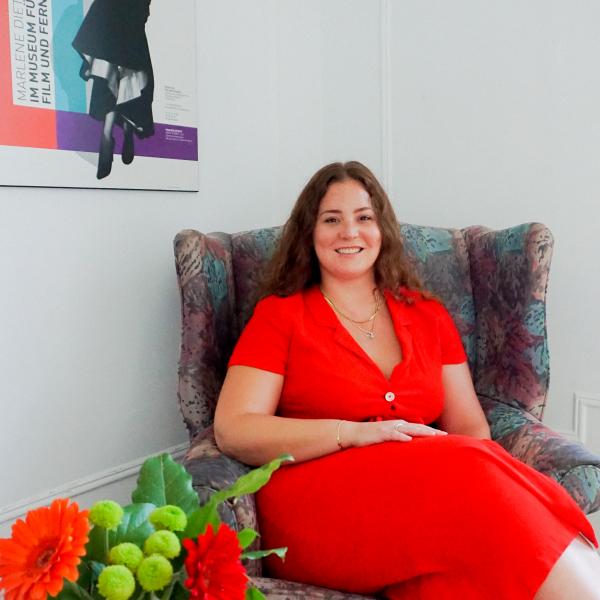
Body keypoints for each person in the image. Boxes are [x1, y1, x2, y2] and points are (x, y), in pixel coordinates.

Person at [214, 161, 600, 599]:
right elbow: (235, 427)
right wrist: (354, 434)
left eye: (364, 218)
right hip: (318, 505)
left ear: (383, 230)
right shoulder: (280, 316)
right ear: (309, 233)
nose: (349, 232)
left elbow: (471, 428)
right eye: (331, 220)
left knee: (475, 554)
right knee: (472, 472)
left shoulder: (427, 314)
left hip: (424, 497)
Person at [72, 0, 155, 179]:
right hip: (113, 27)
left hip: (127, 28)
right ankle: (108, 138)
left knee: (125, 81)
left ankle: (120, 134)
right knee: (114, 80)